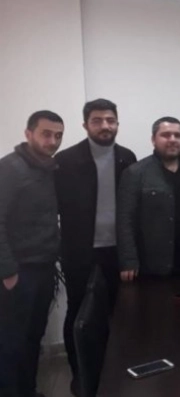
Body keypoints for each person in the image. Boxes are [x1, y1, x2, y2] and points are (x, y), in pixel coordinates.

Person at [54, 99, 136, 395]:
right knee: (80, 313)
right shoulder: (65, 160)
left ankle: (115, 373)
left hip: (118, 252)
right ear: (85, 124)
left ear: (117, 123)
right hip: (80, 253)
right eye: (98, 120)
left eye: (110, 120)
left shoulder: (127, 157)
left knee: (120, 312)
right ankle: (81, 375)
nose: (105, 126)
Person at [0, 111, 64, 397]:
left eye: (58, 136)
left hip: (44, 267)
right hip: (18, 272)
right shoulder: (9, 168)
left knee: (33, 338)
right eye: (46, 134)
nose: (52, 141)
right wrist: (7, 271)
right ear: (28, 134)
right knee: (10, 342)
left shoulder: (49, 168)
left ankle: (27, 391)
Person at [117, 117, 180, 279]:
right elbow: (125, 220)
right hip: (154, 265)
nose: (173, 139)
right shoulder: (135, 173)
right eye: (166, 135)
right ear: (153, 139)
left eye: (178, 135)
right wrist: (128, 261)